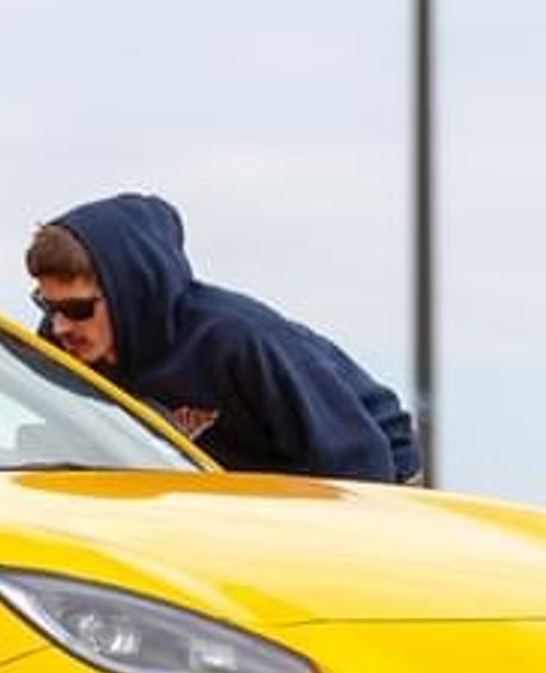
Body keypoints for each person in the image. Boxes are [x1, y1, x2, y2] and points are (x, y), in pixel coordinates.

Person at [28, 192, 423, 483]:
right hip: (233, 489)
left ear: (132, 293)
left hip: (370, 472)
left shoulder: (240, 339)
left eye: (79, 309)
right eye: (49, 307)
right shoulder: (61, 345)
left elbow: (358, 456)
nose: (61, 326)